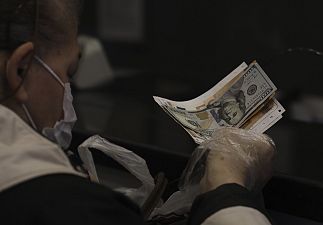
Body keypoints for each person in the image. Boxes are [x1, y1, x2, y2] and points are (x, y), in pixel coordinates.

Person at [0, 1, 275, 224]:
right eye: (68, 72)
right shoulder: (66, 207)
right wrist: (226, 185)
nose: (68, 91)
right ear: (20, 69)